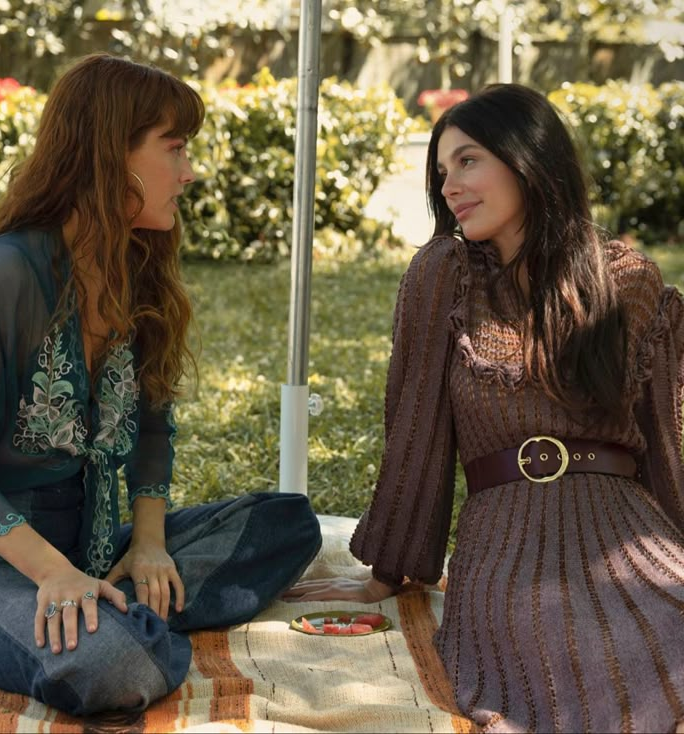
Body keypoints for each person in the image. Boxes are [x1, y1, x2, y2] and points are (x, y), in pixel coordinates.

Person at [285, 83, 684, 732]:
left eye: (468, 161)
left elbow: (661, 442)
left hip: (626, 527)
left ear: (529, 159)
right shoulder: (444, 273)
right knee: (569, 649)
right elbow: (416, 433)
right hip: (508, 540)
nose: (448, 186)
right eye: (442, 172)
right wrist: (392, 570)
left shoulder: (630, 279)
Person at [0, 53, 321, 717]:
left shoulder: (137, 269)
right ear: (107, 156)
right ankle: (96, 625)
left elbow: (152, 427)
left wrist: (147, 544)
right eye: (174, 149)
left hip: (93, 547)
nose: (189, 171)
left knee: (287, 523)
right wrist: (53, 574)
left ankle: (112, 605)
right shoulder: (1, 277)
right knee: (119, 667)